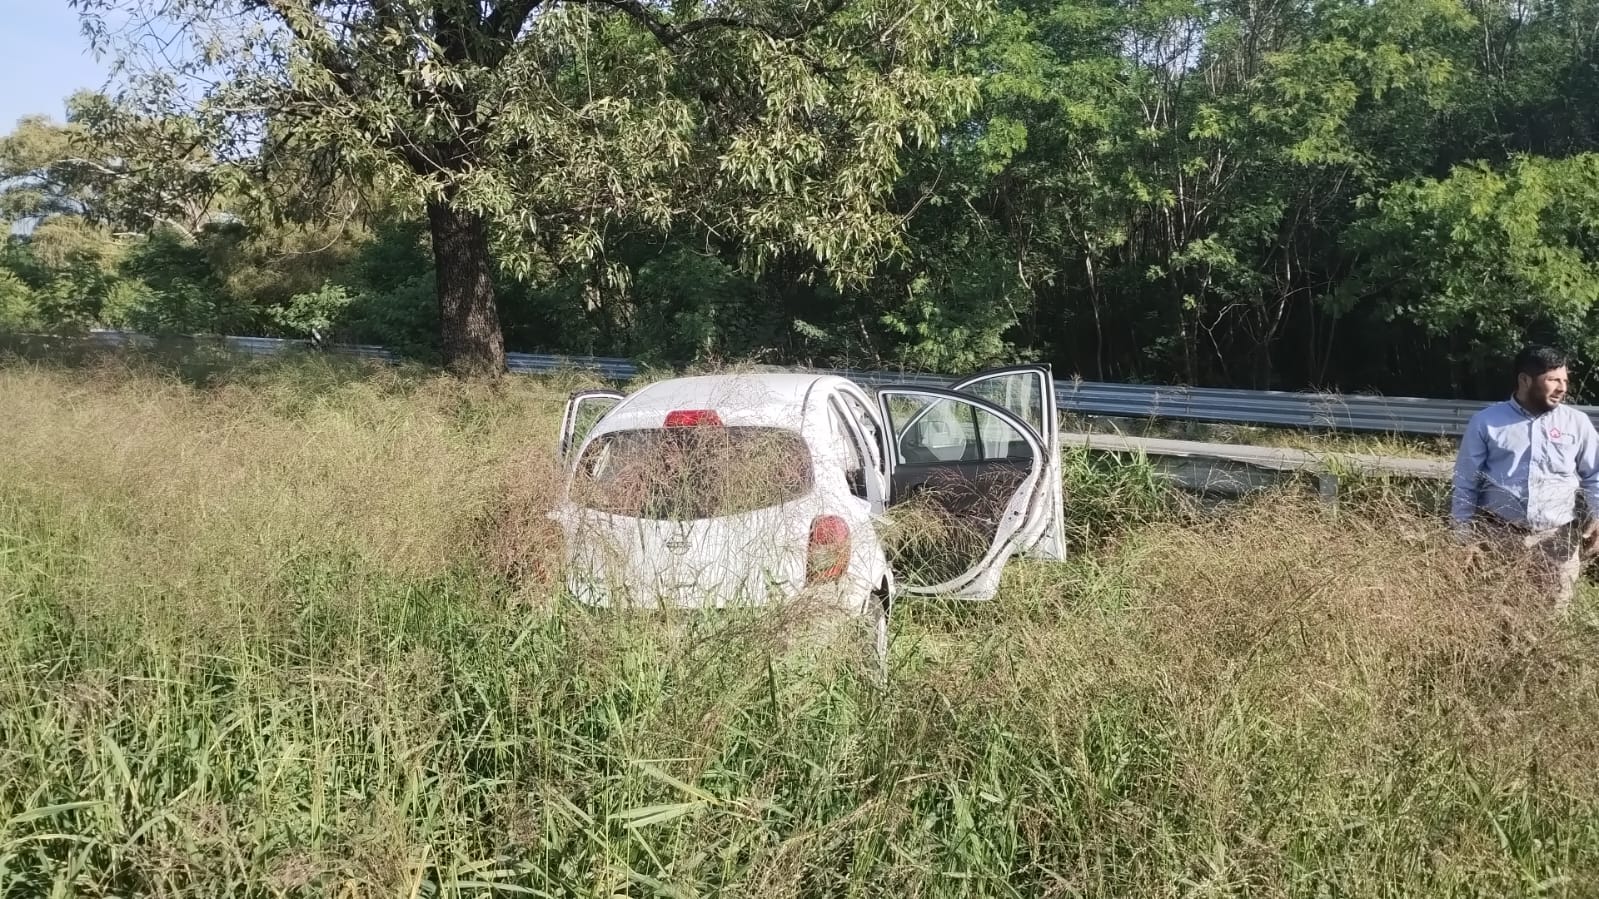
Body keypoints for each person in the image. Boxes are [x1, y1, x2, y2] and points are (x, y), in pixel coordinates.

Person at [1451, 344, 1599, 611]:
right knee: (1495, 614)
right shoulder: (1487, 422)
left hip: (1557, 541)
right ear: (1524, 380)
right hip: (1498, 536)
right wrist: (1463, 535)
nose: (1562, 388)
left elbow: (1595, 474)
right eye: (1553, 379)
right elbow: (1465, 480)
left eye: (1565, 380)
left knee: (1552, 618)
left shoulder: (1577, 423)